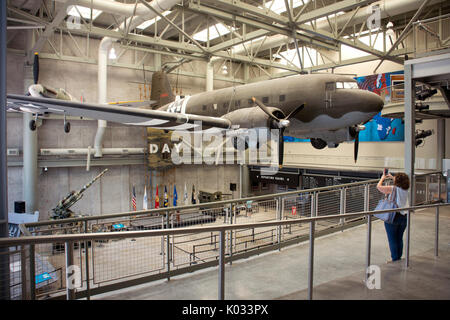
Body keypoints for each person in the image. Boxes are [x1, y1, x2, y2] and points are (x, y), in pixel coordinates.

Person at [376, 171, 410, 262]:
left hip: (393, 217)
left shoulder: (393, 188)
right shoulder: (406, 189)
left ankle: (395, 259)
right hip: (404, 216)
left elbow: (379, 187)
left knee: (392, 239)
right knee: (399, 238)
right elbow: (400, 181)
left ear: (397, 181)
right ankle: (398, 257)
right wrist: (391, 177)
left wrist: (382, 178)